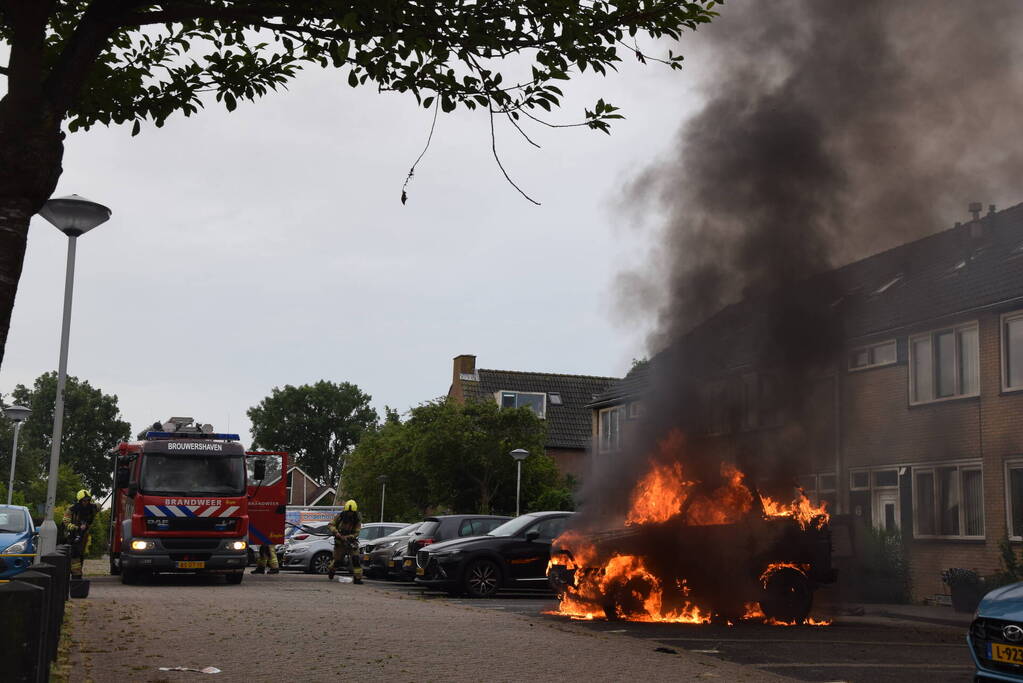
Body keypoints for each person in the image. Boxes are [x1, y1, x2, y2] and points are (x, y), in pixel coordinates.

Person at [63, 489, 99, 580]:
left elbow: (98, 507)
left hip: (84, 536)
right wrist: (77, 527)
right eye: (84, 501)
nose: (86, 502)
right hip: (73, 535)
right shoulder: (71, 509)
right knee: (75, 554)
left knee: (81, 555)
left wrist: (96, 507)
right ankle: (76, 575)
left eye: (88, 500)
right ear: (79, 501)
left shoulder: (91, 508)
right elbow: (65, 523)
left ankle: (78, 573)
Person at [327, 499, 362, 583]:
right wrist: (336, 533)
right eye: (348, 512)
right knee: (337, 561)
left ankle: (357, 578)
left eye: (352, 512)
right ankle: (331, 570)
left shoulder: (357, 519)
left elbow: (357, 532)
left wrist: (349, 536)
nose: (350, 514)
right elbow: (330, 525)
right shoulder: (340, 517)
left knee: (356, 559)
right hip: (340, 543)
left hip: (351, 542)